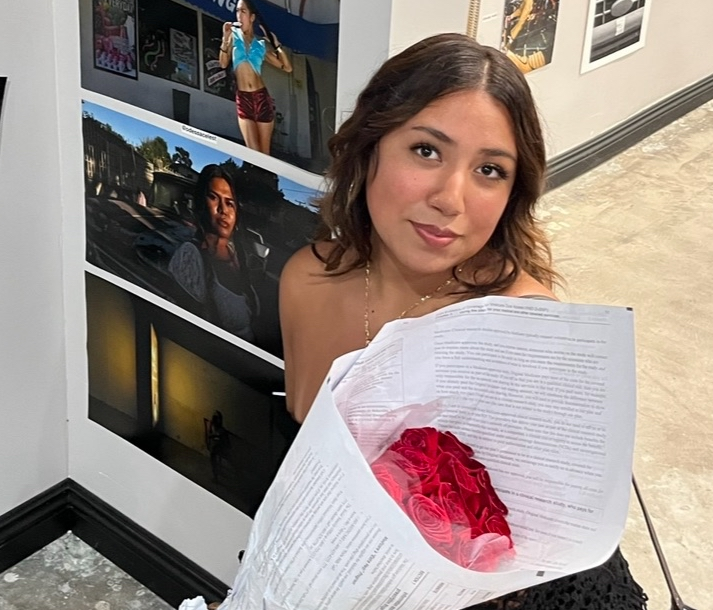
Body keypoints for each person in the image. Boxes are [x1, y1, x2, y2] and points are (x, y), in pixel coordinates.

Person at [277, 33, 648, 609]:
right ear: (370, 146)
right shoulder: (306, 281)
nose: (451, 198)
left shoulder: (522, 332)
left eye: (490, 170)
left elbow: (515, 569)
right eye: (427, 150)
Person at [169, 164, 258, 343]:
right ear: (202, 203)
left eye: (230, 203)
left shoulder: (237, 254)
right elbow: (186, 333)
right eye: (213, 198)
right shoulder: (190, 256)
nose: (223, 210)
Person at [219, 0, 293, 155]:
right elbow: (223, 64)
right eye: (237, 11)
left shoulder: (260, 44)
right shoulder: (233, 36)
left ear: (252, 17)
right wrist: (225, 39)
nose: (239, 15)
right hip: (243, 98)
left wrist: (277, 45)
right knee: (253, 152)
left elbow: (287, 67)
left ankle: (266, 178)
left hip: (261, 98)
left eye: (243, 11)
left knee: (264, 154)